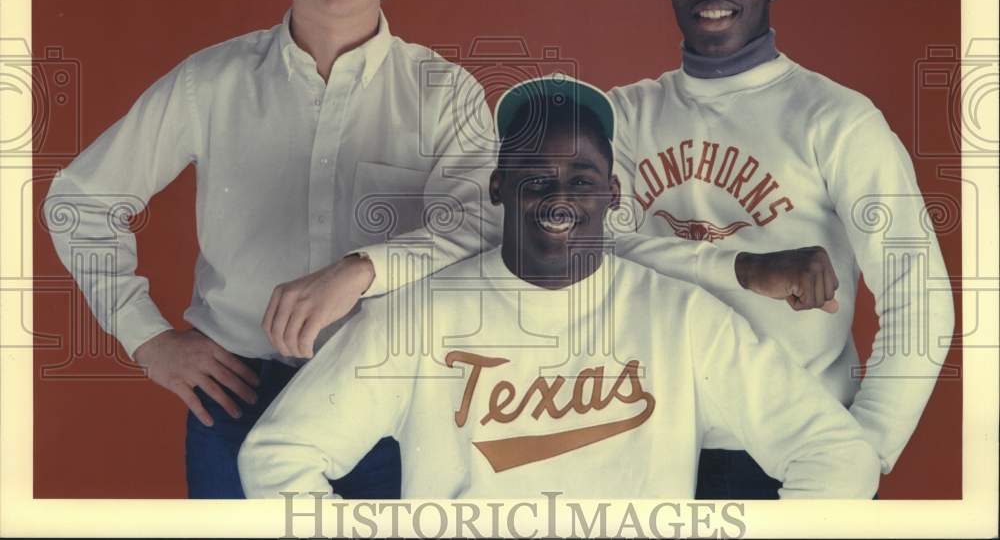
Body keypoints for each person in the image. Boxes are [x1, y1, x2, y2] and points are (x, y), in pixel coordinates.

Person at [43, 0, 497, 498]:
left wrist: (361, 270)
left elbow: (482, 226)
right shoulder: (212, 81)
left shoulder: (444, 91)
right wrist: (146, 338)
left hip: (390, 399)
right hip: (236, 400)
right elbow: (78, 200)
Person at [238, 76, 881, 500]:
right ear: (497, 186)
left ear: (613, 193)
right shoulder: (421, 316)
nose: (559, 196)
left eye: (581, 177)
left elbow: (835, 457)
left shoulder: (682, 316)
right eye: (534, 176)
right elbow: (278, 456)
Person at [604, 0, 955, 498]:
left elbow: (920, 296)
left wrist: (862, 451)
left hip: (787, 453)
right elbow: (587, 261)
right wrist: (745, 268)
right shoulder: (622, 117)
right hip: (643, 446)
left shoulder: (836, 119)